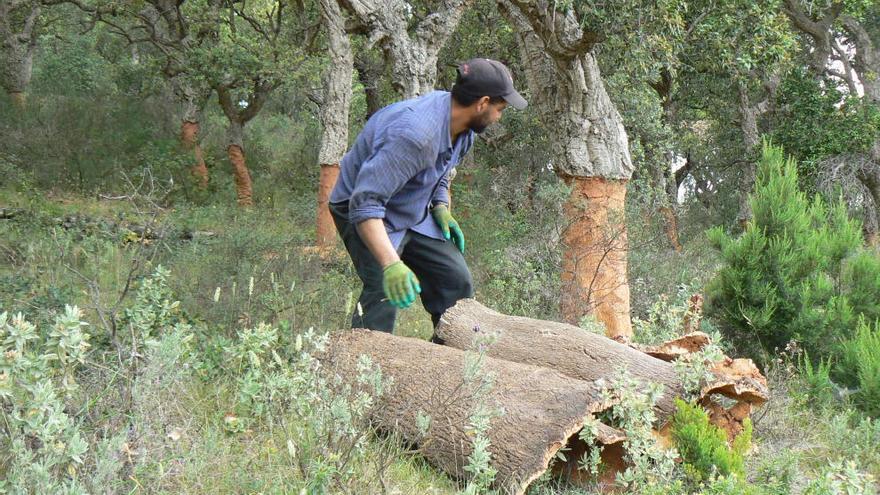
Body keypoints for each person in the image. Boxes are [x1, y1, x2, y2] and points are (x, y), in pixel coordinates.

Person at [329, 57, 527, 337]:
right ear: (482, 103)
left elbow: (441, 172)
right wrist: (391, 264)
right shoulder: (415, 136)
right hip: (363, 208)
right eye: (500, 108)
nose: (499, 117)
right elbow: (365, 204)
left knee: (456, 283)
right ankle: (364, 370)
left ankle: (447, 360)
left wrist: (441, 205)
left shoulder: (464, 128)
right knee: (382, 290)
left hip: (413, 206)